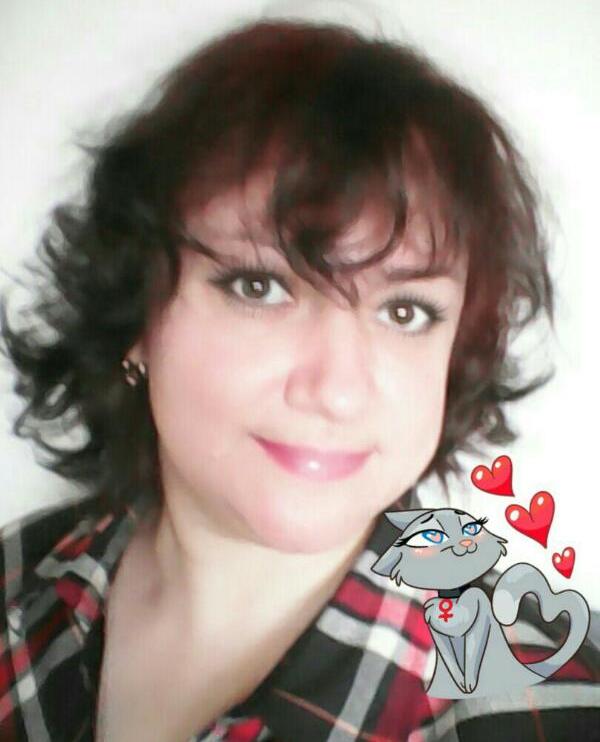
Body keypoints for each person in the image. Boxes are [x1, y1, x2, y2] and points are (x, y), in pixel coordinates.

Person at [0, 18, 597, 742]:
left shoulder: (545, 703)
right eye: (259, 287)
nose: (338, 391)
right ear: (137, 317)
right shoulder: (19, 580)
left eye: (406, 311)